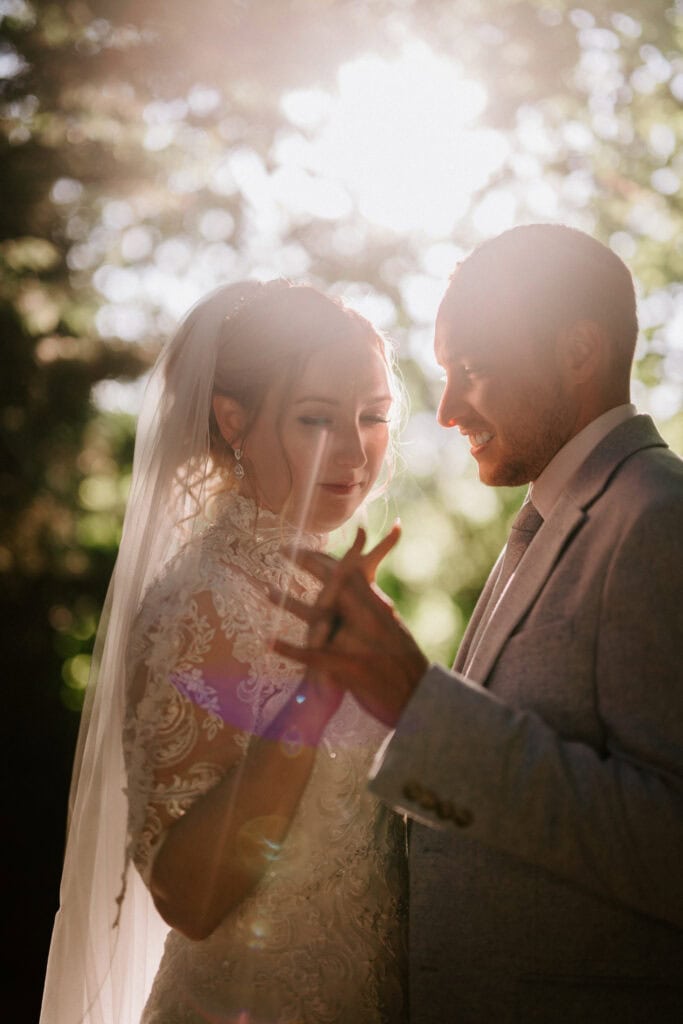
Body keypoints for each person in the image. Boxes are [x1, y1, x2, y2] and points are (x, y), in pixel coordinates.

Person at [274, 224, 683, 1023]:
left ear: (577, 351)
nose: (451, 409)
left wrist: (417, 702)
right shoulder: (554, 516)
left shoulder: (656, 520)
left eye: (475, 370)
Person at [41, 279, 408, 1024]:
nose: (355, 451)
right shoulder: (203, 603)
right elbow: (189, 895)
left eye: (373, 417)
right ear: (232, 421)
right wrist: (316, 695)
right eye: (316, 419)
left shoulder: (330, 589)